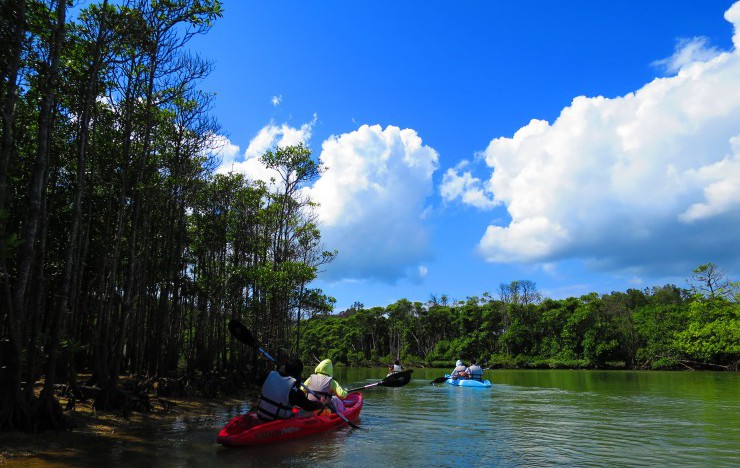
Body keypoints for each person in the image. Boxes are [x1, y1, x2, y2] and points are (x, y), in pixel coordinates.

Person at [256, 358, 323, 421]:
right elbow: (308, 406)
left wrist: (280, 371)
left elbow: (259, 382)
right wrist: (320, 404)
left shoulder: (269, 375)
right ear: (299, 374)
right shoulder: (294, 389)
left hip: (261, 414)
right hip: (277, 419)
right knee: (310, 412)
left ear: (284, 368)